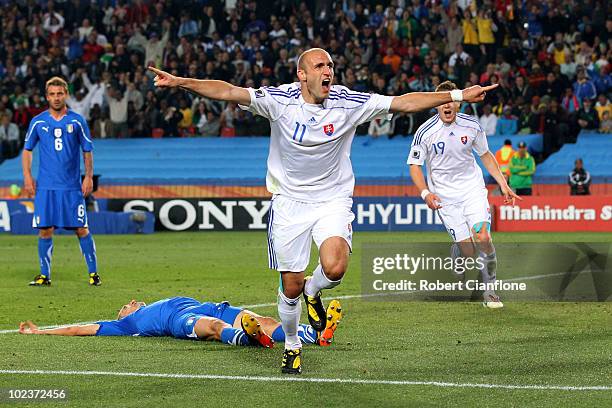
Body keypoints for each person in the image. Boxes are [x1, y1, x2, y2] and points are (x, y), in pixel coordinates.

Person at [148, 48, 497, 375]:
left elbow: (404, 102)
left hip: (332, 199)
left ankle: (315, 291)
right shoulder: (279, 100)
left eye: (330, 66)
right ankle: (293, 343)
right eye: (319, 66)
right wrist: (181, 82)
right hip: (289, 203)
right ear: (301, 74)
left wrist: (459, 95)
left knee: (335, 266)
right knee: (290, 286)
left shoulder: (349, 102)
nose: (328, 71)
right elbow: (228, 92)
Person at [408, 81, 519, 310]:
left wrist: (503, 183)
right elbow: (414, 165)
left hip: (472, 190)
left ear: (458, 103)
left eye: (451, 101)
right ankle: (458, 251)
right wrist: (425, 192)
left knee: (483, 237)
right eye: (442, 102)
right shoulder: (424, 132)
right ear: (436, 105)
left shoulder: (472, 126)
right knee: (468, 251)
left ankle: (490, 291)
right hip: (445, 197)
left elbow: (486, 155)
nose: (447, 106)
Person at [18, 296, 343, 349]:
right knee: (212, 328)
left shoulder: (150, 304)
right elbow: (80, 328)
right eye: (124, 306)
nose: (130, 302)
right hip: (181, 320)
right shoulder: (127, 326)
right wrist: (39, 330)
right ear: (124, 316)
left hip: (210, 304)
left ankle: (314, 335)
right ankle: (248, 339)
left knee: (264, 318)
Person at [22, 76, 100, 287]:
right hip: (46, 187)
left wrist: (89, 177)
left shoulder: (77, 121)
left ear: (66, 94)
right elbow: (27, 150)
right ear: (47, 97)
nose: (56, 98)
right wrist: (28, 177)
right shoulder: (38, 121)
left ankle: (94, 274)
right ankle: (44, 275)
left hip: (71, 187)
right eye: (52, 94)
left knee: (81, 229)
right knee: (45, 230)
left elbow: (87, 150)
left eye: (60, 94)